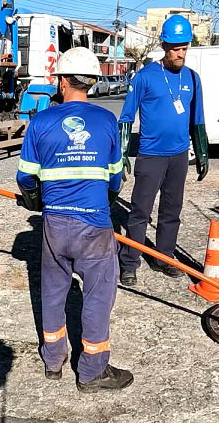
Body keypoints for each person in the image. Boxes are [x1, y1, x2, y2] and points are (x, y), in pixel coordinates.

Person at [16, 46, 133, 393]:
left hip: (54, 224)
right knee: (97, 295)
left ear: (63, 81)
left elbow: (25, 178)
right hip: (95, 225)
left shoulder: (40, 122)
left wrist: (35, 198)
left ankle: (53, 361)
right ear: (93, 82)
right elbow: (115, 178)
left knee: (53, 291)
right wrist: (102, 198)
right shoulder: (107, 122)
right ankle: (92, 371)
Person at [117, 15, 209, 287]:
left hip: (179, 156)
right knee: (140, 211)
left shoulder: (192, 78)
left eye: (184, 47)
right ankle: (130, 262)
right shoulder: (145, 78)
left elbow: (198, 119)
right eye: (175, 48)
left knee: (172, 210)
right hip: (151, 155)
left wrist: (202, 153)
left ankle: (164, 257)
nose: (180, 53)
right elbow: (126, 117)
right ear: (164, 45)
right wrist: (121, 154)